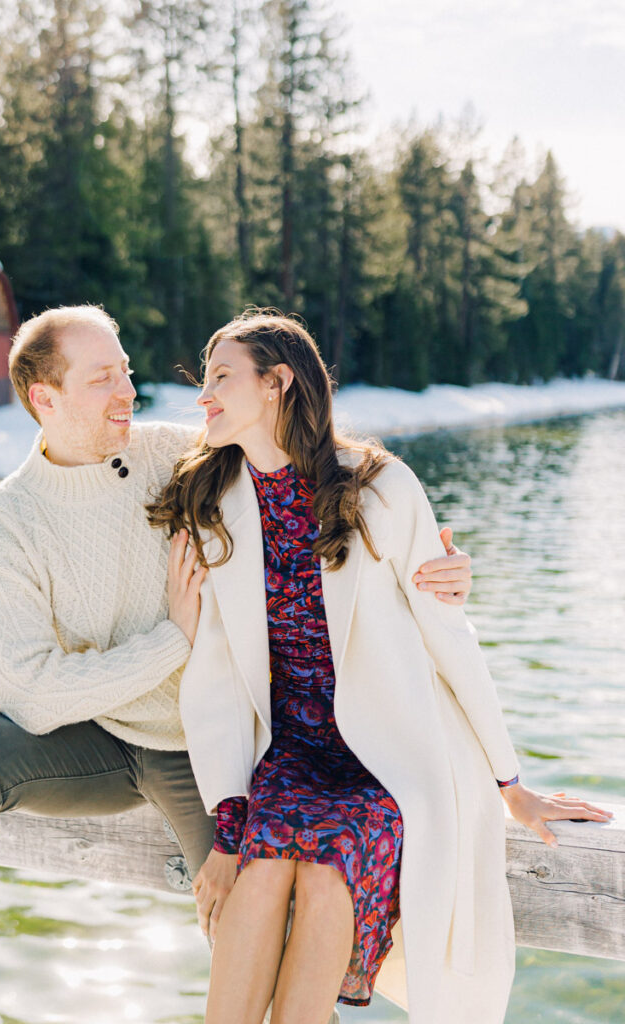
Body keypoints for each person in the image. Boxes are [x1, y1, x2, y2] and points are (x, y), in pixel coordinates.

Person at [0, 305, 473, 1024]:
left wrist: (437, 567)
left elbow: (307, 460)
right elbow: (32, 696)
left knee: (267, 918)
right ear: (45, 399)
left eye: (127, 373)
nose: (128, 392)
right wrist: (173, 638)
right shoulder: (6, 524)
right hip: (97, 737)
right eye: (105, 378)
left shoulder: (178, 454)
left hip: (210, 745)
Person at [148, 309, 612, 1024]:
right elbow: (214, 684)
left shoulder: (380, 488)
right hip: (292, 756)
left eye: (219, 378)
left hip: (388, 760)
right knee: (261, 873)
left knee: (333, 870)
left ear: (277, 384)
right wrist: (228, 826)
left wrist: (509, 782)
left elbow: (448, 638)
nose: (201, 396)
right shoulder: (215, 502)